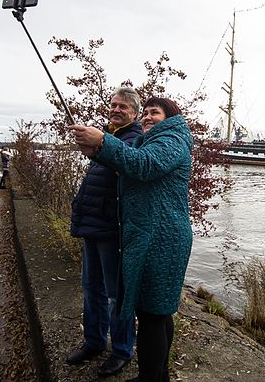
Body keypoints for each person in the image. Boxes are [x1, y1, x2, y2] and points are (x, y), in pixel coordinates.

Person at [71, 97, 193, 382]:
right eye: (147, 113)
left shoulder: (172, 139)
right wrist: (97, 151)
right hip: (152, 238)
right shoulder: (153, 140)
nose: (148, 117)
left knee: (152, 314)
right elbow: (128, 164)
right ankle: (157, 376)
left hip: (162, 239)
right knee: (158, 313)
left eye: (155, 112)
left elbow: (143, 166)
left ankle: (150, 378)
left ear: (171, 117)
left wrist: (103, 140)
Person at [66, 87, 142, 377]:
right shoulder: (109, 136)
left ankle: (122, 350)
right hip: (93, 225)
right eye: (113, 105)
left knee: (116, 295)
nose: (116, 109)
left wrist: (100, 145)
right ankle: (94, 341)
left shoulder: (135, 138)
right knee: (91, 288)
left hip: (112, 229)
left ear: (134, 113)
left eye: (123, 106)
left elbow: (128, 165)